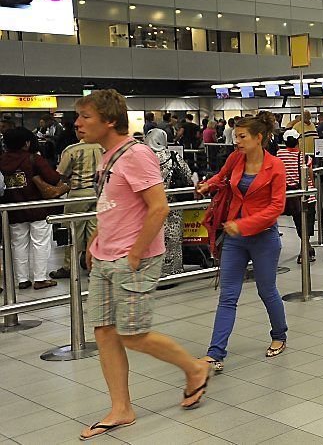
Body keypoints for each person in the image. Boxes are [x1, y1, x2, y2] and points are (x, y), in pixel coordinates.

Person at [76, 90, 211, 440]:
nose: (77, 123)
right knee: (104, 332)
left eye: (85, 117)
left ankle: (195, 369)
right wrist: (96, 241)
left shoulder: (137, 155)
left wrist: (135, 253)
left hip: (131, 259)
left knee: (132, 335)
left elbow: (159, 207)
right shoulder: (108, 156)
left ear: (109, 120)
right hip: (107, 254)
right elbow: (113, 205)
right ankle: (121, 408)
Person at [197, 111, 289, 372]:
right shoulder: (236, 158)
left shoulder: (275, 166)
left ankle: (279, 334)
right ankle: (215, 353)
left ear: (258, 138)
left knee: (266, 290)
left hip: (263, 238)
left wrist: (244, 224)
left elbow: (276, 207)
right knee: (228, 296)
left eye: (242, 136)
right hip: (235, 238)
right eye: (236, 136)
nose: (236, 141)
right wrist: (208, 185)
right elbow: (223, 177)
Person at [0, 127, 63, 289]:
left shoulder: (2, 160)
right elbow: (53, 178)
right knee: (40, 243)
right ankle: (40, 279)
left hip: (13, 210)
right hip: (37, 208)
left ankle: (22, 280)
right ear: (27, 143)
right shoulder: (33, 159)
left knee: (18, 244)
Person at [49, 136, 103, 279]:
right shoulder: (102, 148)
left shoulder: (72, 150)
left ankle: (69, 266)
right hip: (99, 193)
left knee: (72, 231)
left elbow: (60, 174)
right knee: (94, 230)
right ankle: (92, 264)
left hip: (78, 193)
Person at [145, 129, 193, 277]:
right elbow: (188, 175)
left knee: (152, 238)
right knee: (173, 238)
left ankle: (153, 272)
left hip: (149, 206)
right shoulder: (172, 156)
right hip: (172, 204)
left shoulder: (142, 157)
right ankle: (174, 271)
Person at [276, 129, 316, 263]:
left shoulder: (279, 155)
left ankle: (307, 248)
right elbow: (309, 174)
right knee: (307, 223)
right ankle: (304, 251)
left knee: (298, 222)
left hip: (290, 195)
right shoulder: (303, 156)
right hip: (305, 194)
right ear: (298, 141)